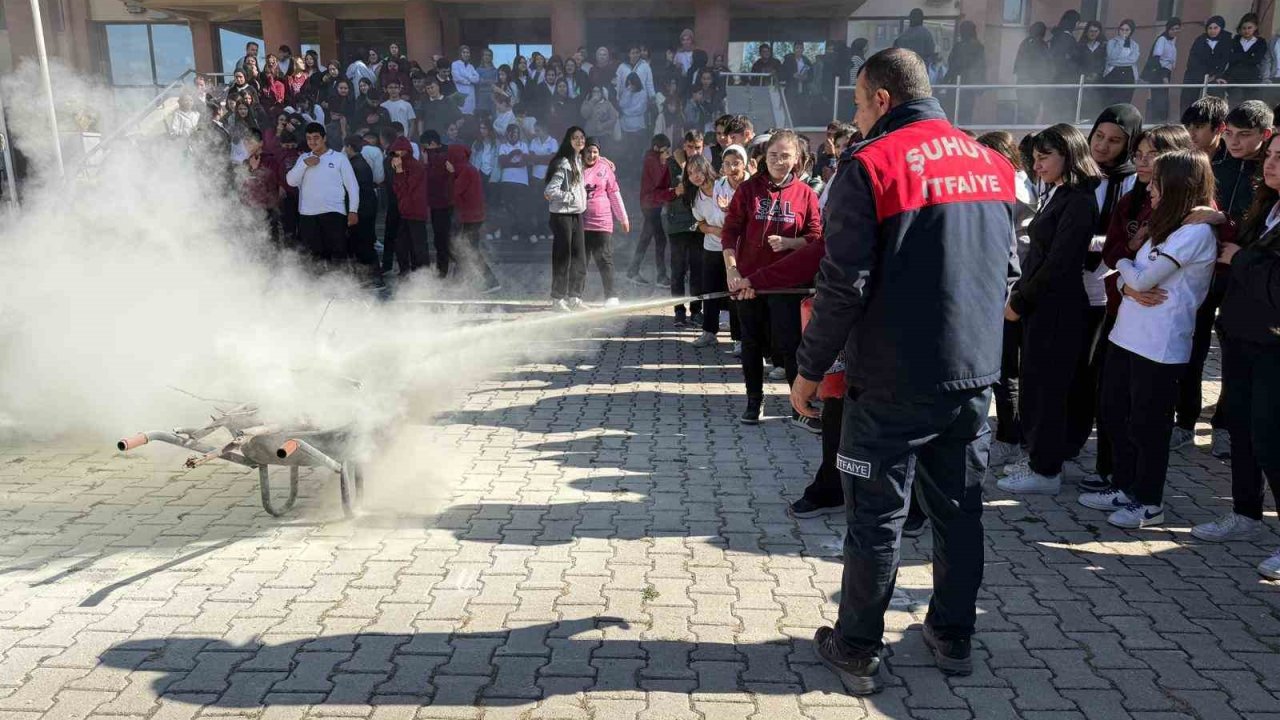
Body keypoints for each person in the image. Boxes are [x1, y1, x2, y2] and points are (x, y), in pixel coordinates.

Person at [788, 48, 1014, 691]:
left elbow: (842, 283)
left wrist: (808, 370)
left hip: (889, 382)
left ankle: (857, 646)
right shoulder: (993, 163)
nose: (855, 117)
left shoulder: (870, 165)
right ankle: (953, 633)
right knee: (959, 511)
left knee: (876, 519)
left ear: (882, 99)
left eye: (858, 103)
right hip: (973, 376)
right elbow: (1009, 272)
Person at [1080, 150, 1218, 528]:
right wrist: (1128, 278)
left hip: (1159, 346)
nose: (1150, 189)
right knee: (1115, 413)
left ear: (1177, 186)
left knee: (1148, 425)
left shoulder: (1195, 233)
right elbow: (1128, 280)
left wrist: (1126, 271)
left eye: (1157, 183)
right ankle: (1125, 486)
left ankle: (1150, 502)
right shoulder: (1164, 225)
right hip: (1126, 336)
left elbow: (1135, 277)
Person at [1189, 131, 1280, 579]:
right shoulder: (1266, 207)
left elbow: (1266, 274)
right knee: (1240, 426)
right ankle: (1244, 514)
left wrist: (1241, 258)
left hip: (1274, 345)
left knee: (1271, 438)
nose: (1271, 164)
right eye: (1272, 155)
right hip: (1242, 335)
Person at [999, 124, 1101, 496]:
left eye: (1045, 158)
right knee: (1037, 384)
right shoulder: (1060, 192)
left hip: (1057, 307)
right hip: (1042, 305)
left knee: (1048, 389)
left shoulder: (1078, 199)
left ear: (1068, 157)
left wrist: (1020, 300)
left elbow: (1058, 262)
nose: (1037, 165)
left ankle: (1046, 470)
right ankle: (1038, 455)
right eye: (1035, 158)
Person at [1183, 100, 1275, 460]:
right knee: (1194, 344)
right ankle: (1184, 420)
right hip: (1209, 268)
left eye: (1245, 135)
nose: (1235, 142)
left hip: (1246, 273)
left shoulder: (1268, 174)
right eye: (1230, 134)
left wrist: (1223, 220)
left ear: (1265, 135)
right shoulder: (1213, 165)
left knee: (1233, 351)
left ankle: (1223, 424)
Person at [721, 130, 822, 428]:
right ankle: (754, 400)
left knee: (790, 345)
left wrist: (791, 244)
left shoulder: (806, 194)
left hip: (787, 285)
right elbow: (730, 232)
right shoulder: (749, 190)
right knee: (751, 342)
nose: (779, 161)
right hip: (748, 282)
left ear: (796, 160)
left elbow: (816, 238)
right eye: (773, 155)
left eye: (785, 156)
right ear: (764, 157)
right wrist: (732, 270)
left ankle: (798, 405)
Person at [1065, 103, 1142, 488]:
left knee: (1094, 372)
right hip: (1071, 283)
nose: (1103, 146)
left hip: (1112, 288)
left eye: (1115, 141)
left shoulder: (1135, 183)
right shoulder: (1079, 176)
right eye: (1098, 137)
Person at [692, 143, 747, 349]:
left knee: (734, 292)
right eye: (727, 164)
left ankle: (738, 338)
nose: (732, 168)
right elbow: (715, 217)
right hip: (716, 246)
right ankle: (709, 331)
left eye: (736, 163)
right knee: (710, 289)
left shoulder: (751, 185)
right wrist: (716, 223)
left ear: (745, 164)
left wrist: (728, 212)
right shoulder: (719, 186)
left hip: (741, 248)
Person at [285, 123, 360, 266]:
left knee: (337, 254)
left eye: (316, 138)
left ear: (324, 138)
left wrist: (353, 210)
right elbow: (291, 181)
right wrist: (305, 164)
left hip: (334, 213)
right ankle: (318, 287)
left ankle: (340, 285)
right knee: (313, 257)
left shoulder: (339, 158)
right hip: (308, 214)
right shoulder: (303, 159)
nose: (312, 142)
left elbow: (352, 186)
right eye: (309, 138)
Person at [544, 126, 589, 312]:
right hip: (562, 216)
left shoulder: (578, 160)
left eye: (582, 138)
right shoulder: (564, 163)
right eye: (575, 138)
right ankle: (558, 298)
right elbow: (549, 191)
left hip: (577, 215)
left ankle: (574, 297)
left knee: (580, 257)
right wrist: (569, 197)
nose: (580, 141)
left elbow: (595, 158)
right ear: (568, 141)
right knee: (563, 258)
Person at [581, 137, 626, 307]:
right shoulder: (576, 166)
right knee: (581, 260)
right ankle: (575, 296)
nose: (591, 155)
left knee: (604, 259)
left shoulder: (605, 168)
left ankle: (611, 296)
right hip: (581, 222)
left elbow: (614, 193)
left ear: (599, 154)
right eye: (589, 151)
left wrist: (623, 217)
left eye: (595, 152)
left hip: (602, 221)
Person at [448, 143, 499, 292]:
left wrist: (451, 174)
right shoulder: (468, 168)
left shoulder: (464, 170)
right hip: (473, 216)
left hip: (470, 217)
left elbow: (455, 191)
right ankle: (458, 281)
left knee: (470, 250)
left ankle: (491, 282)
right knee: (464, 248)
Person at [667, 131, 705, 328]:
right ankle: (679, 311)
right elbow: (657, 193)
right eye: (690, 147)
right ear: (684, 145)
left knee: (698, 271)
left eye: (697, 147)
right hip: (677, 226)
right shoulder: (670, 164)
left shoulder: (705, 166)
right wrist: (673, 192)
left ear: (703, 146)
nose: (693, 151)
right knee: (678, 271)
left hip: (700, 226)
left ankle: (697, 311)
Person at [630, 134, 676, 286]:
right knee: (659, 239)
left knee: (646, 238)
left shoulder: (654, 158)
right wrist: (664, 162)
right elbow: (658, 180)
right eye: (665, 150)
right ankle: (661, 277)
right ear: (657, 148)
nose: (667, 153)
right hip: (650, 205)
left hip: (653, 204)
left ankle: (633, 271)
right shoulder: (651, 159)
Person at [387, 135, 429, 274]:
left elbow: (408, 188)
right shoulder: (400, 165)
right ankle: (405, 271)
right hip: (405, 210)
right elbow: (397, 190)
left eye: (400, 151)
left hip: (415, 210)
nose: (397, 154)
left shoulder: (415, 166)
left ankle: (423, 275)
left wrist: (399, 171)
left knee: (418, 246)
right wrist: (398, 170)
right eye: (395, 152)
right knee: (401, 244)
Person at [342, 135, 380, 275]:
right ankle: (371, 275)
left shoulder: (354, 166)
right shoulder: (361, 163)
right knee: (365, 242)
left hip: (360, 210)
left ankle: (373, 275)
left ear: (349, 147)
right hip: (367, 208)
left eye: (345, 147)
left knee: (362, 244)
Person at [419, 130, 453, 277]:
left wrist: (425, 164)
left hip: (442, 203)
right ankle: (443, 269)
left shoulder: (440, 157)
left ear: (432, 143)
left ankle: (443, 270)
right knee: (441, 238)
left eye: (425, 147)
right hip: (438, 203)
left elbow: (432, 179)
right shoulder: (443, 153)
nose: (424, 150)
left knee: (442, 238)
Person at [1183, 16, 1232, 113]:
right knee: (1189, 99)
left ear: (1221, 28)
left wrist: (1215, 75)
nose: (1212, 31)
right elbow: (1193, 59)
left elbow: (1225, 61)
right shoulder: (1200, 40)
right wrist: (1203, 75)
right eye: (1210, 28)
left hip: (1216, 75)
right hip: (1196, 74)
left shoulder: (1226, 41)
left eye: (1215, 28)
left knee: (1214, 101)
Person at [942, 21, 986, 125]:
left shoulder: (961, 46)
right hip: (967, 87)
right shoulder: (978, 47)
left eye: (962, 31)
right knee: (965, 116)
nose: (960, 34)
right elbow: (982, 67)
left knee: (955, 115)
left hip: (960, 86)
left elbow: (953, 65)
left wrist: (945, 80)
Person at [497, 123, 534, 243]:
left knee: (522, 208)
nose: (514, 136)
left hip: (521, 181)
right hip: (507, 180)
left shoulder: (524, 145)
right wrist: (514, 154)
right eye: (512, 133)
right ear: (507, 134)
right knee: (510, 208)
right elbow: (502, 163)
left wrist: (510, 161)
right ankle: (514, 232)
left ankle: (526, 233)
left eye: (516, 133)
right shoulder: (503, 146)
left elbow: (525, 162)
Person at [1220, 14, 1268, 104]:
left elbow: (1257, 60)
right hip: (1234, 79)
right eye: (1244, 28)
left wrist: (1238, 57)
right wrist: (1249, 56)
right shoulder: (1235, 41)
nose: (1246, 31)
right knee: (1235, 104)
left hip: (1252, 79)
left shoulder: (1261, 42)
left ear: (1255, 27)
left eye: (1249, 28)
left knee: (1251, 106)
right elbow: (1230, 59)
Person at [1014, 23, 1051, 125]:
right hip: (1035, 84)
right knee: (1031, 112)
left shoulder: (1024, 43)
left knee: (1023, 111)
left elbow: (1017, 65)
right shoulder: (1041, 44)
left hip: (1022, 83)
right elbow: (1044, 65)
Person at [1144, 19, 1181, 122]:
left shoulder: (1172, 41)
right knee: (1159, 98)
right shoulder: (1162, 40)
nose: (1174, 31)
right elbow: (1157, 58)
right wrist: (1163, 76)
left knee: (1163, 98)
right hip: (1159, 72)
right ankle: (1156, 121)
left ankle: (1161, 120)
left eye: (1177, 29)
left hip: (1167, 72)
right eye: (1172, 29)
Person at [1102, 20, 1140, 108]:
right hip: (1113, 73)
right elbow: (1111, 57)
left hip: (1129, 74)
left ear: (1131, 31)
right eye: (1122, 29)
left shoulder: (1134, 45)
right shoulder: (1112, 42)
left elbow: (1133, 60)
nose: (1124, 32)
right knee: (1112, 101)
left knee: (1125, 102)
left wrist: (1119, 61)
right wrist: (1121, 42)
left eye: (1127, 30)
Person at [1181, 94, 1229, 159]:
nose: (1190, 134)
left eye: (1198, 127)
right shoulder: (1179, 158)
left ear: (1220, 127)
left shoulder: (1236, 160)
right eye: (1187, 127)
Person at [1078, 22, 1107, 119]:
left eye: (1096, 31)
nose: (1093, 34)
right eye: (1091, 31)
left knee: (1097, 104)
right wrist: (1085, 75)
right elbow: (1077, 63)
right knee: (1084, 104)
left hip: (1099, 81)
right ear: (1086, 32)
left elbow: (1105, 62)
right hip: (1084, 79)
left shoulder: (1104, 46)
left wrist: (1097, 74)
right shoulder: (1081, 46)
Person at [452, 46, 482, 115]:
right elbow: (457, 78)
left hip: (470, 93)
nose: (466, 54)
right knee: (460, 113)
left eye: (467, 52)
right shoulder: (455, 64)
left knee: (470, 115)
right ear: (460, 54)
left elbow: (477, 79)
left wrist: (466, 76)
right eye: (464, 52)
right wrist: (470, 80)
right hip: (460, 92)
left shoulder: (471, 66)